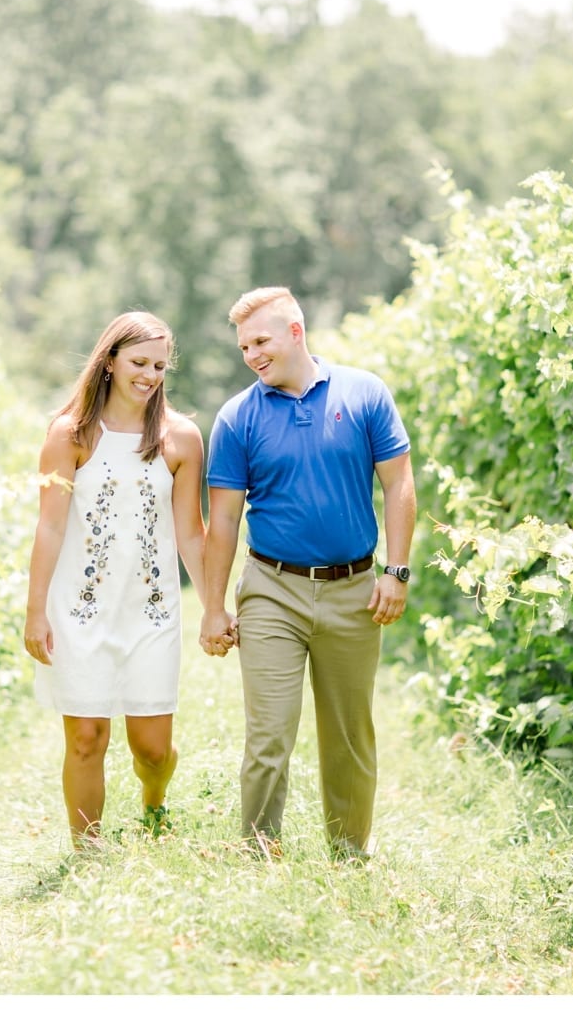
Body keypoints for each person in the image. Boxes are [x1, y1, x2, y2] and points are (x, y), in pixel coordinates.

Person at [199, 286, 415, 862]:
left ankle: (349, 856)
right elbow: (221, 521)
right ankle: (258, 854)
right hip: (271, 590)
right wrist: (214, 607)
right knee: (269, 735)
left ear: (296, 332)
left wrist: (396, 571)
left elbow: (399, 483)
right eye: (244, 346)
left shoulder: (364, 393)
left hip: (355, 590)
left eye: (261, 340)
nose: (251, 354)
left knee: (348, 736)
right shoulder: (237, 417)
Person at [24, 312, 210, 849]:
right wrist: (36, 610)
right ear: (109, 361)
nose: (149, 375)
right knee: (86, 738)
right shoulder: (71, 434)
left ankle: (154, 802)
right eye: (138, 362)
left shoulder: (181, 439)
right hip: (80, 611)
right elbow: (50, 525)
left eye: (158, 365)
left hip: (151, 610)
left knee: (151, 749)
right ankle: (89, 852)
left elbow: (192, 534)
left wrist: (215, 607)